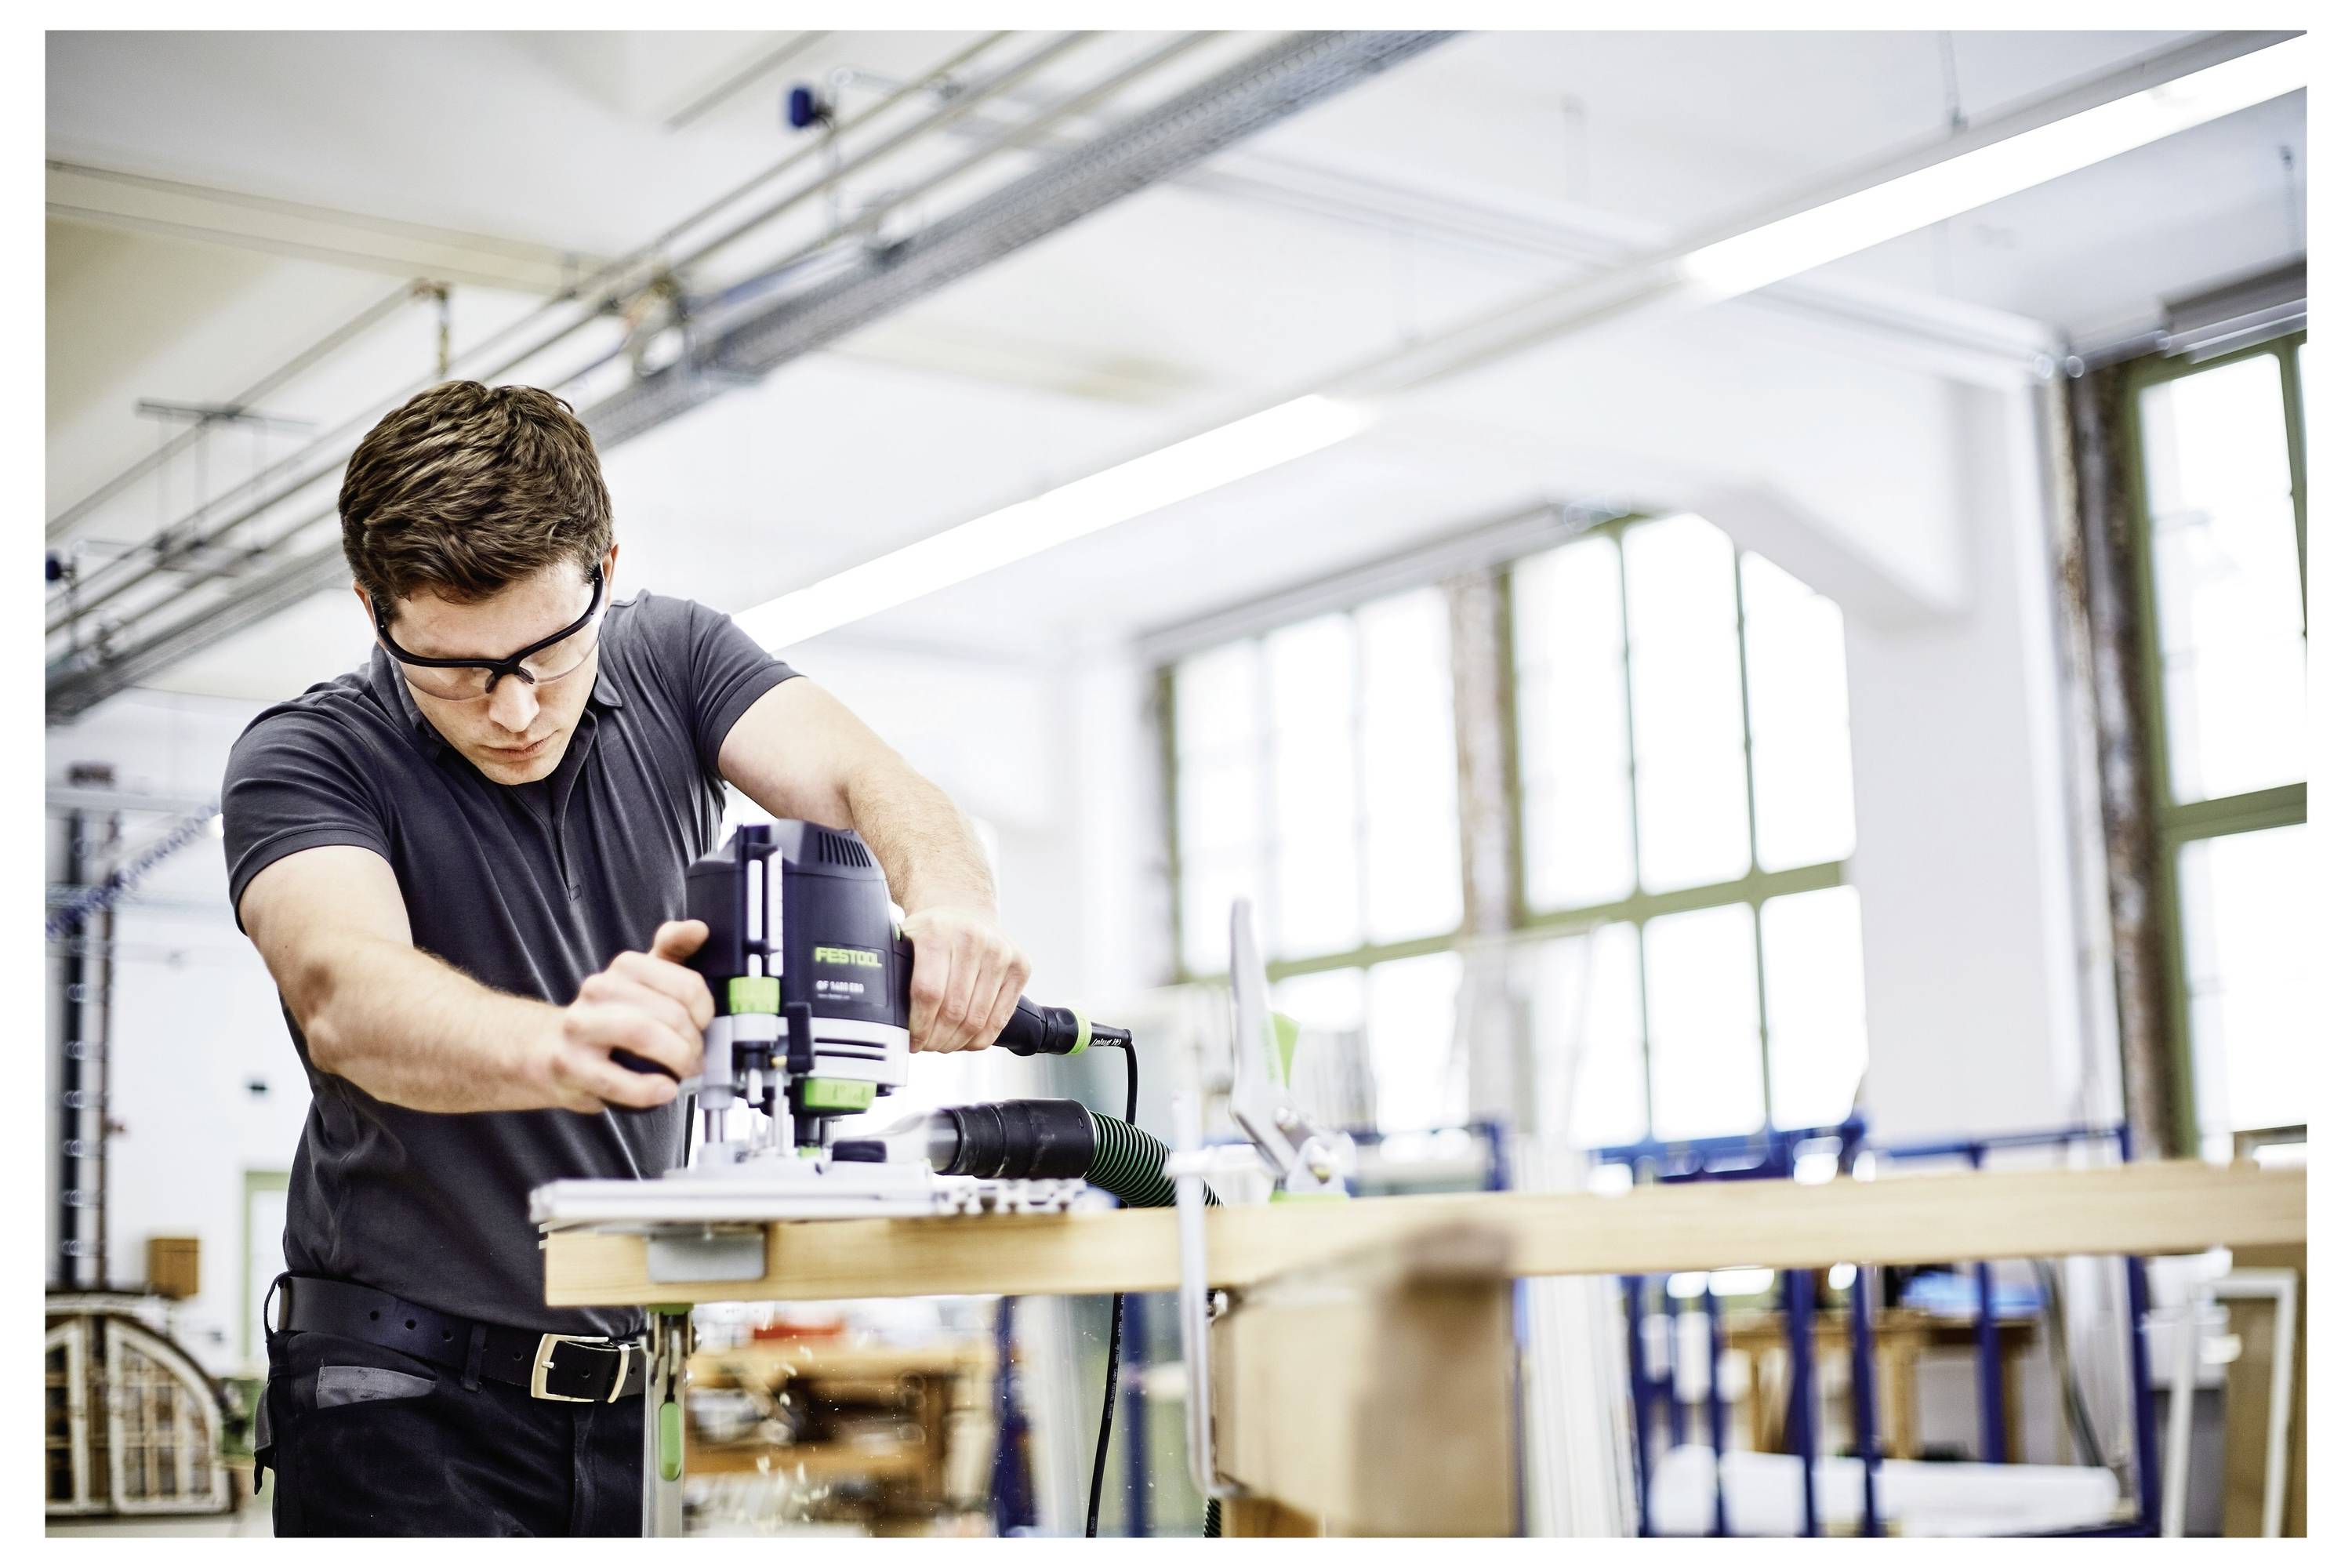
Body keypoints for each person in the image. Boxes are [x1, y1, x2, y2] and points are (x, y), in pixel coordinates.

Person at [223, 380, 1031, 1536]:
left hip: (630, 1388)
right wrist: (557, 1046)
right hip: (397, 1400)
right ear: (373, 608)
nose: (512, 709)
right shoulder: (307, 757)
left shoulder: (675, 658)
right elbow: (342, 994)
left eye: (547, 653)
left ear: (604, 567)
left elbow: (870, 781)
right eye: (455, 668)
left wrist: (953, 902)